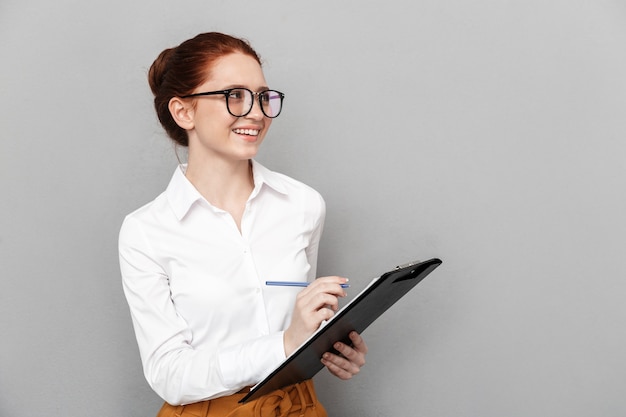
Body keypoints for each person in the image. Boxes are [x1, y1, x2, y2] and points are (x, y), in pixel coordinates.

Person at [118, 32, 367, 417]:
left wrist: (325, 344)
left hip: (301, 407)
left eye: (263, 96)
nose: (255, 112)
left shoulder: (303, 205)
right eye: (234, 96)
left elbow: (299, 325)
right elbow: (169, 374)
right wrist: (285, 343)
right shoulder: (146, 232)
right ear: (184, 112)